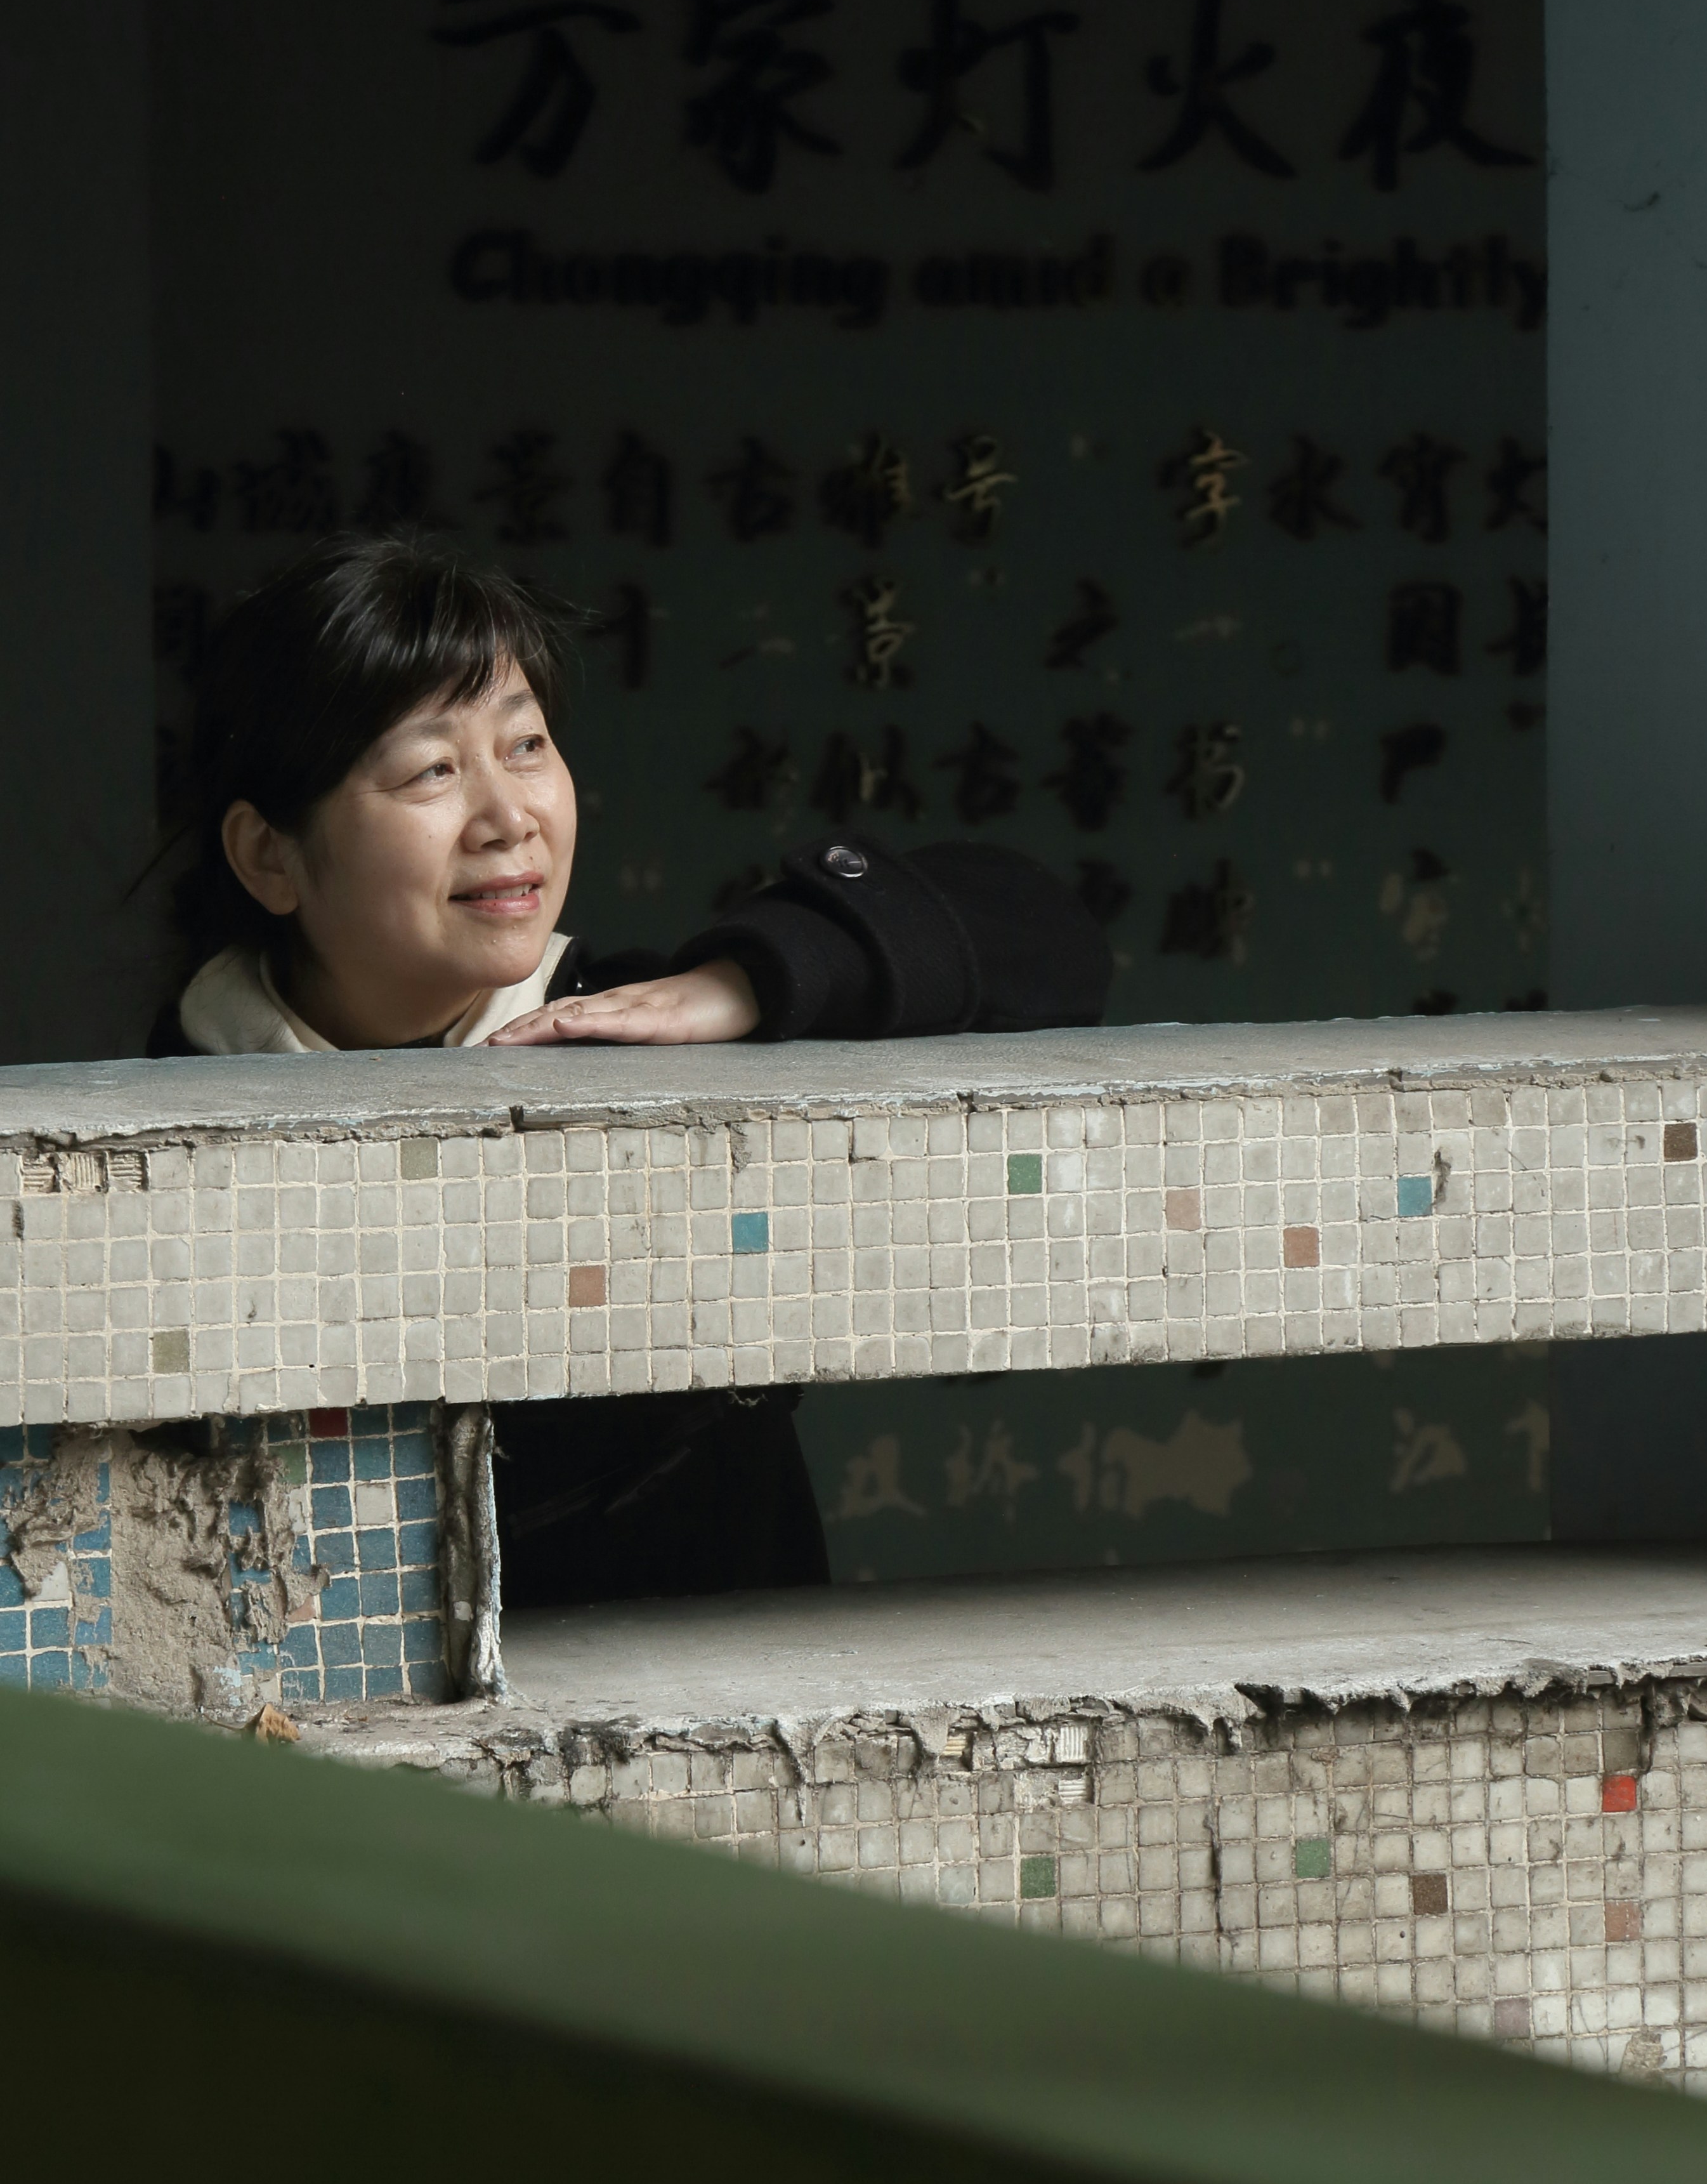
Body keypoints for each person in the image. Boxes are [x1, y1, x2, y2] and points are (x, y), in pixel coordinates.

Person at [154, 530, 1111, 1611]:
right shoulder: (146, 1125)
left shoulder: (644, 1027)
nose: (509, 817)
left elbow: (1046, 938)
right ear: (268, 855)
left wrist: (749, 984)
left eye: (526, 746)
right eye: (432, 769)